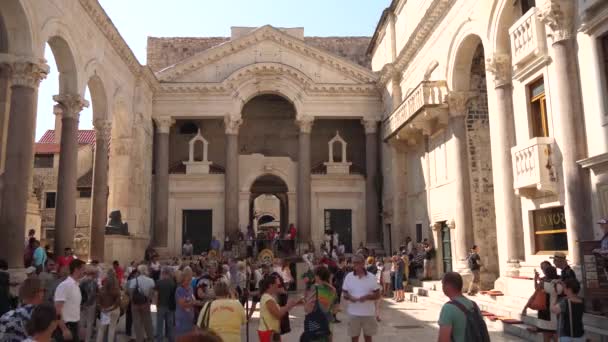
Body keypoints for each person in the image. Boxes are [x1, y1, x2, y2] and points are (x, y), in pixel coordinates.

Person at [437, 272, 489, 342]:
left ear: (447, 286)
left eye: (443, 284)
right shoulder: (474, 305)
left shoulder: (448, 308)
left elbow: (443, 339)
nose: (442, 287)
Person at [342, 254, 381, 342]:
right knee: (354, 338)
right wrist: (350, 297)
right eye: (354, 263)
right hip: (353, 313)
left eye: (358, 263)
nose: (355, 265)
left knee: (368, 338)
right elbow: (344, 293)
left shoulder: (371, 277)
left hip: (368, 313)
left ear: (363, 263)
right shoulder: (349, 277)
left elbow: (378, 295)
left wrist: (367, 297)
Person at [257, 273, 303, 342]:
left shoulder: (269, 297)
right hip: (268, 332)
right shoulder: (267, 298)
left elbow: (279, 310)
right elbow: (278, 314)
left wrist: (293, 304)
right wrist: (288, 306)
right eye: (277, 285)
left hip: (272, 331)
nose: (279, 287)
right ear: (271, 285)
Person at [522, 261, 560, 342]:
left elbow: (534, 295)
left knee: (547, 336)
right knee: (555, 335)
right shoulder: (559, 283)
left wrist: (525, 308)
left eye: (544, 268)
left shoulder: (543, 283)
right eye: (542, 268)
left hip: (545, 311)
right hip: (554, 311)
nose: (543, 269)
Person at [54, 258, 86, 342]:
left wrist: (80, 327)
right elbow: (57, 309)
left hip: (74, 325)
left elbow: (76, 308)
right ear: (76, 269)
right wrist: (64, 329)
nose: (84, 272)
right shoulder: (65, 285)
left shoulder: (76, 286)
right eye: (83, 269)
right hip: (65, 325)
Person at [302, 266, 336, 342]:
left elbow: (307, 309)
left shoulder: (314, 288)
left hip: (315, 323)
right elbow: (333, 308)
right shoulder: (332, 289)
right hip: (327, 322)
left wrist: (305, 298)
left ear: (317, 276)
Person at [127, 264, 155, 342]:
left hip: (135, 305)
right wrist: (148, 302)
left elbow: (131, 293)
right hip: (146, 304)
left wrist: (133, 302)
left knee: (137, 324)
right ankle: (150, 339)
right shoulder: (151, 280)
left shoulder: (133, 281)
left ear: (138, 271)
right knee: (148, 323)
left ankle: (139, 339)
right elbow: (152, 293)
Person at [175, 267, 201, 338]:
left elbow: (192, 299)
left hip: (190, 318)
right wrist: (193, 303)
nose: (189, 281)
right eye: (188, 279)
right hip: (182, 318)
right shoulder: (179, 290)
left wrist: (197, 302)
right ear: (183, 279)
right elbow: (182, 305)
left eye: (190, 278)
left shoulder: (190, 288)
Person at [95, 269, 121, 342]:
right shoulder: (116, 289)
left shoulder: (102, 289)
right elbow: (118, 302)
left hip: (104, 310)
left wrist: (102, 308)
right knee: (112, 329)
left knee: (101, 329)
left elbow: (98, 301)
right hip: (114, 310)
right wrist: (111, 308)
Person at [154, 266, 176, 342]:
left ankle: (159, 340)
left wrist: (154, 307)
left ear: (163, 273)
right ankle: (171, 339)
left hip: (160, 306)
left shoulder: (158, 282)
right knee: (170, 325)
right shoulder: (172, 282)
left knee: (159, 325)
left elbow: (156, 296)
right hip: (170, 307)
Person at [79, 265, 99, 342]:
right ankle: (87, 339)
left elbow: (79, 292)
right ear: (93, 273)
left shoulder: (81, 281)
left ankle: (81, 339)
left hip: (83, 304)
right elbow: (96, 293)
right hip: (91, 304)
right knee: (89, 323)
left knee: (82, 322)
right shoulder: (94, 282)